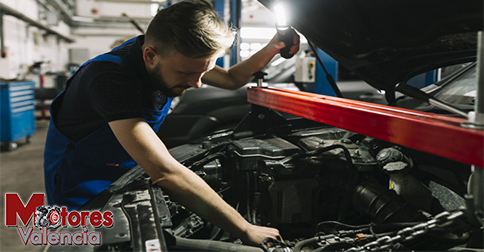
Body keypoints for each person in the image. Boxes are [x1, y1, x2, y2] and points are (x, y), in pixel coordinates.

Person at [43, 0, 299, 246]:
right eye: (187, 73)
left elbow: (232, 78)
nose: (197, 83)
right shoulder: (108, 79)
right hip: (81, 186)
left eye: (204, 71)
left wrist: (273, 46)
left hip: (126, 171)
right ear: (150, 55)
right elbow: (165, 171)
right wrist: (245, 229)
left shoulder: (176, 56)